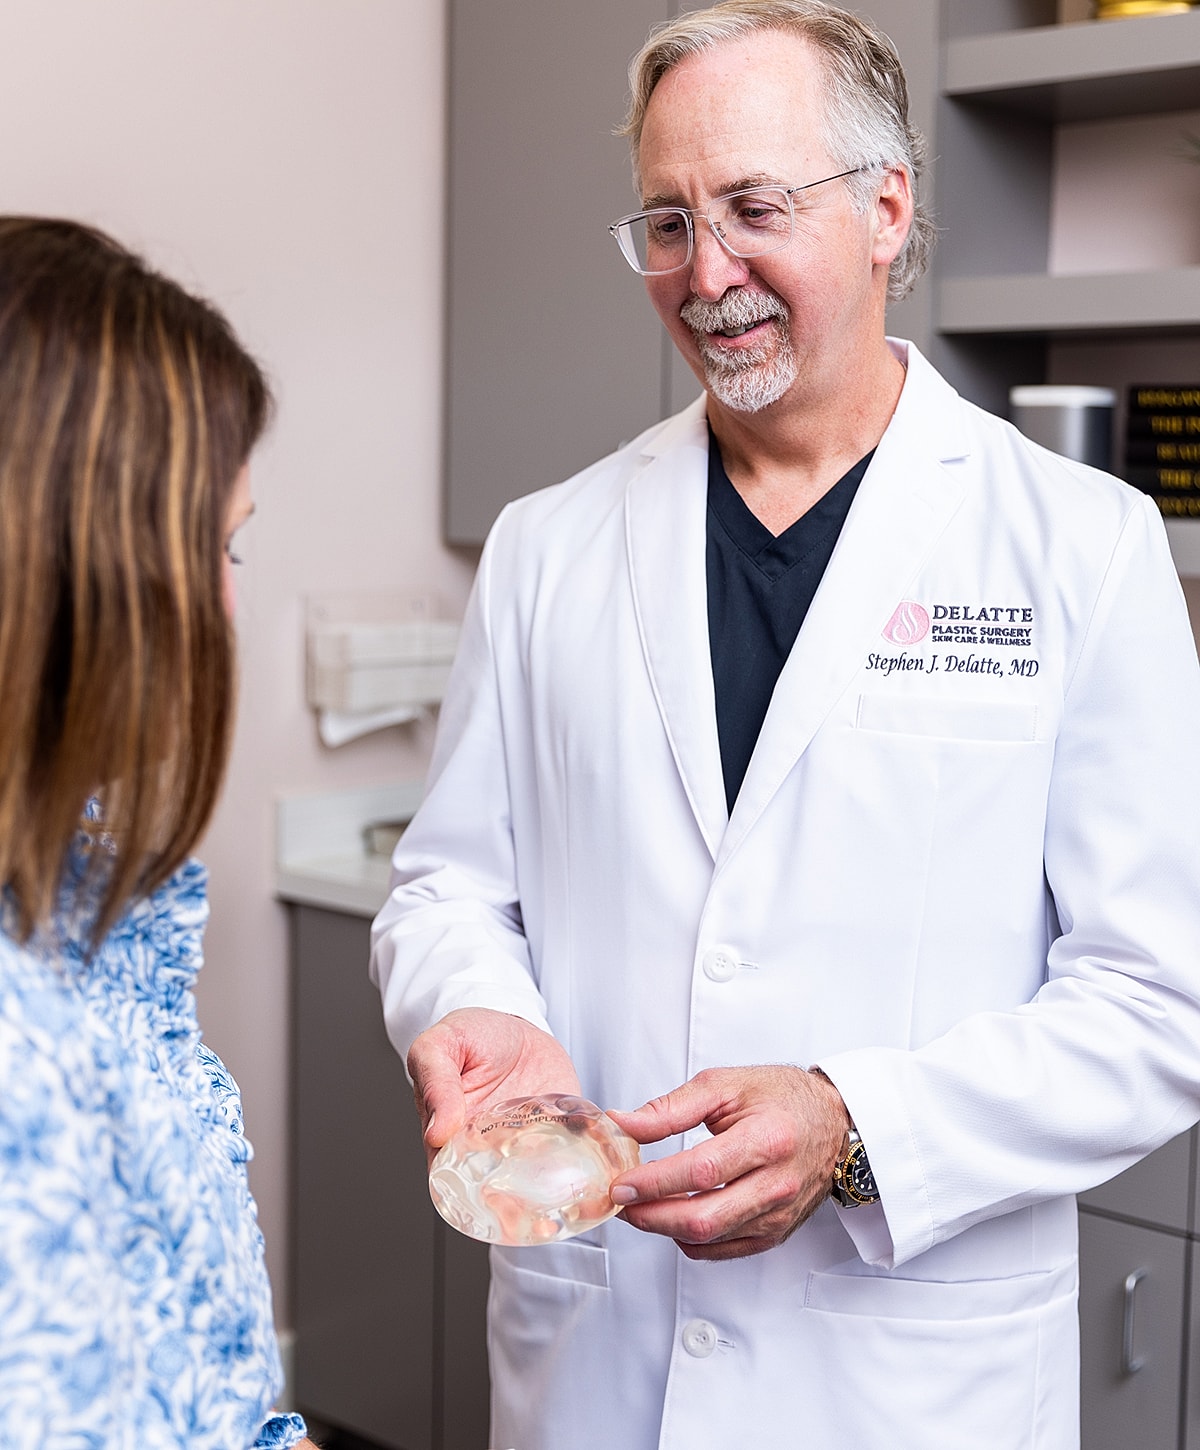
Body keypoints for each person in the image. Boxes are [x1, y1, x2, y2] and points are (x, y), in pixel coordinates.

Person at [370, 3, 1200, 1446]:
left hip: (908, 1373)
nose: (709, 273)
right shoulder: (547, 544)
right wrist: (474, 1003)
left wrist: (857, 1126)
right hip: (602, 1349)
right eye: (669, 223)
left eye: (755, 207)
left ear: (888, 210)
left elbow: (1160, 1002)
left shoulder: (1082, 546)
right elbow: (449, 880)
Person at [0, 218, 317, 1450]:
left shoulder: (80, 919)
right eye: (218, 548)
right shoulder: (21, 1053)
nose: (227, 608)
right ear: (87, 562)